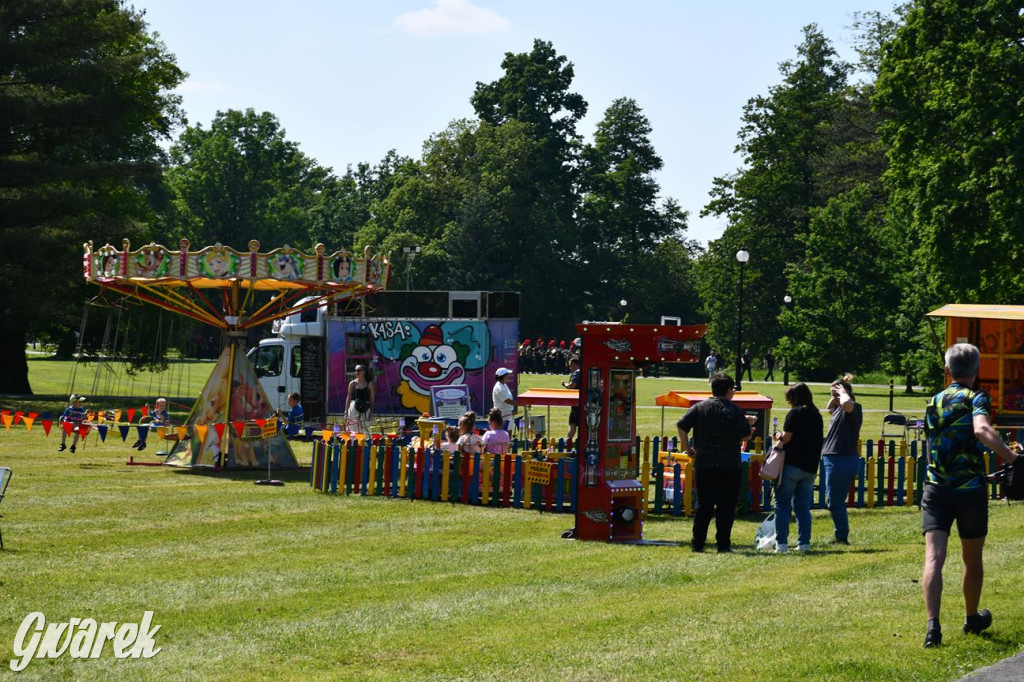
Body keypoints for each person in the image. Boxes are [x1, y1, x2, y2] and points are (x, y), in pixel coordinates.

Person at [920, 343, 1021, 648]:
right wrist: (1013, 459)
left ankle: (933, 628)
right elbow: (980, 430)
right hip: (969, 493)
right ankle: (971, 617)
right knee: (971, 558)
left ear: (948, 370)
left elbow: (934, 447)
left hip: (936, 488)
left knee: (934, 558)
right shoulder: (976, 397)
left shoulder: (934, 402)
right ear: (976, 372)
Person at [676, 374, 755, 553]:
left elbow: (681, 425)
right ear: (728, 390)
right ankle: (723, 545)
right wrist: (749, 424)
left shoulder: (699, 407)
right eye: (733, 389)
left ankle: (698, 544)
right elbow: (744, 435)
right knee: (726, 506)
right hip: (729, 465)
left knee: (703, 505)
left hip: (704, 463)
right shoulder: (734, 410)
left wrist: (687, 448)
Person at [774, 382, 824, 553]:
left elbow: (787, 438)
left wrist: (779, 436)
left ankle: (781, 544)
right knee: (803, 507)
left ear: (794, 398)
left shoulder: (795, 413)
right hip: (810, 466)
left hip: (792, 464)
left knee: (782, 505)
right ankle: (804, 543)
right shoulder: (816, 415)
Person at [821, 374, 862, 545]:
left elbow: (846, 403)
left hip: (842, 459)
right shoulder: (838, 409)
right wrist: (835, 391)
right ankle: (841, 535)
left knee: (835, 501)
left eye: (837, 394)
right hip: (835, 459)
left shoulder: (853, 408)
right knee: (834, 500)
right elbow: (828, 407)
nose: (835, 398)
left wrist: (843, 391)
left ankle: (842, 537)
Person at [346, 364, 375, 434]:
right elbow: (348, 398)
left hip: (365, 407)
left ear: (364, 372)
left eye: (358, 370)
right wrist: (346, 411)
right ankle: (354, 442)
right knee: (353, 427)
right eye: (355, 371)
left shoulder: (369, 384)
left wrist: (371, 412)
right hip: (354, 407)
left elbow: (372, 399)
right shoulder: (352, 383)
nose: (356, 372)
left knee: (365, 428)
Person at [562, 356, 581, 444]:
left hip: (576, 403)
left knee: (572, 423)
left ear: (574, 364)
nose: (570, 368)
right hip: (585, 402)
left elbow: (572, 385)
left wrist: (564, 384)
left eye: (570, 365)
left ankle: (568, 442)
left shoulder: (577, 373)